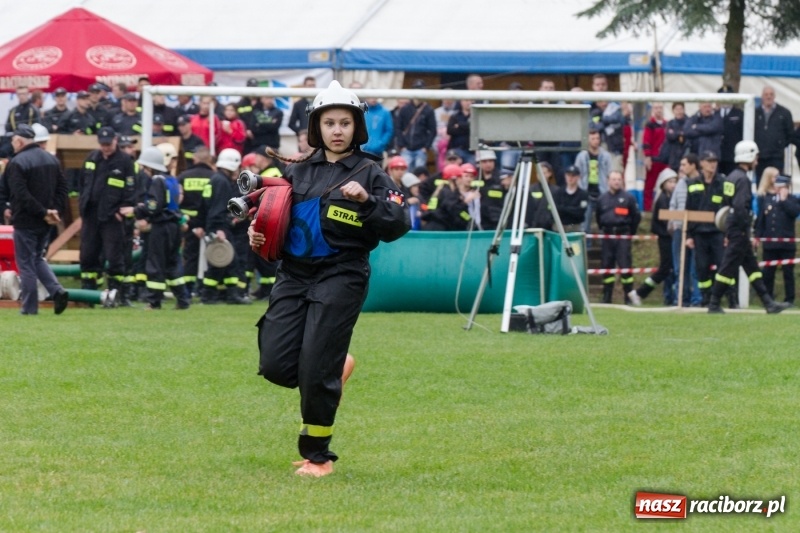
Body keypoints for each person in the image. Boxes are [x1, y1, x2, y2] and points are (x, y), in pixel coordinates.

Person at [248, 81, 409, 477]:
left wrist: (366, 202)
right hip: (293, 275)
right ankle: (336, 367)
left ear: (358, 128)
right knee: (275, 365)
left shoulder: (371, 173)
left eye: (345, 123)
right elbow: (274, 214)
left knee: (317, 367)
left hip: (343, 275)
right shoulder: (297, 170)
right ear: (315, 128)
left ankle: (318, 457)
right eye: (329, 123)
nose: (337, 130)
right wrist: (257, 232)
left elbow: (398, 224)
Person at [707, 141, 790, 314]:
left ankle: (768, 303)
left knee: (752, 267)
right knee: (727, 267)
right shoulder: (743, 179)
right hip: (739, 230)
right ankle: (714, 302)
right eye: (755, 158)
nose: (757, 162)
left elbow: (726, 204)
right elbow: (740, 208)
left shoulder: (731, 176)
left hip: (733, 228)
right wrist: (746, 229)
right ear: (749, 157)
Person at [4, 125, 69, 315]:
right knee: (37, 259)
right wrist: (53, 211)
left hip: (26, 219)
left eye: (13, 141)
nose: (12, 144)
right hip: (46, 221)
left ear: (19, 141)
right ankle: (57, 291)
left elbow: (21, 194)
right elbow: (63, 188)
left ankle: (29, 307)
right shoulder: (51, 159)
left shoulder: (17, 162)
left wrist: (42, 212)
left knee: (25, 263)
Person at [78, 127, 136, 300]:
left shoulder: (125, 161)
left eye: (108, 144)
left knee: (114, 256)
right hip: (91, 214)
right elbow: (83, 183)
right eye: (102, 144)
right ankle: (89, 293)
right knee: (88, 254)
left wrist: (123, 210)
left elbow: (131, 189)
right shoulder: (92, 158)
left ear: (115, 140)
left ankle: (117, 292)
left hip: (112, 216)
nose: (105, 147)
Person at [134, 147, 190, 310]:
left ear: (150, 166)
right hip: (173, 227)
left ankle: (154, 301)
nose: (144, 170)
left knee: (155, 263)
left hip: (161, 227)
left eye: (145, 167)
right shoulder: (172, 179)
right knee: (173, 263)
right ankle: (183, 299)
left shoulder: (156, 180)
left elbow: (154, 206)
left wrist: (138, 210)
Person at [200, 148, 251, 305]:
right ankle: (212, 296)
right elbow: (219, 209)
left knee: (227, 262)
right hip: (220, 227)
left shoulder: (215, 179)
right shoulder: (222, 182)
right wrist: (220, 229)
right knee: (224, 261)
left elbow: (205, 206)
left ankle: (226, 295)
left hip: (214, 226)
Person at [628, 168, 677, 306]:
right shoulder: (663, 200)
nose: (673, 185)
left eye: (675, 181)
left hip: (668, 236)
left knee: (670, 268)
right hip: (665, 237)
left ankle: (671, 297)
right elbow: (667, 221)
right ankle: (640, 292)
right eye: (670, 182)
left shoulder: (668, 198)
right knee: (665, 268)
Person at [685, 151, 728, 307]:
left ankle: (727, 297)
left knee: (723, 266)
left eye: (714, 161)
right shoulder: (692, 183)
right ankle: (706, 297)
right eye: (709, 161)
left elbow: (728, 210)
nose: (713, 164)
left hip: (717, 232)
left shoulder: (723, 183)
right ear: (701, 163)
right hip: (699, 233)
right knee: (701, 267)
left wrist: (727, 234)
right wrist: (688, 235)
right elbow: (688, 210)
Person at [754, 169, 800, 306]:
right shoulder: (767, 200)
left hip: (786, 244)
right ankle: (768, 298)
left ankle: (789, 299)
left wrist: (784, 200)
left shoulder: (793, 200)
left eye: (782, 187)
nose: (778, 189)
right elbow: (762, 220)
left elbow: (794, 213)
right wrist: (758, 236)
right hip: (770, 243)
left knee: (788, 273)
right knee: (768, 273)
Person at [596, 171, 640, 304]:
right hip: (608, 236)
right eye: (614, 179)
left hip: (623, 236)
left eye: (618, 179)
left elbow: (636, 217)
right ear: (608, 181)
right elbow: (598, 217)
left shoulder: (629, 198)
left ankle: (628, 296)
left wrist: (629, 233)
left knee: (625, 266)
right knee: (607, 266)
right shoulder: (602, 199)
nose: (616, 182)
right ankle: (607, 296)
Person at [669, 154, 702, 306]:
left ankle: (697, 299)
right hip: (680, 229)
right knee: (679, 266)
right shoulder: (681, 183)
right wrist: (674, 222)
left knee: (695, 267)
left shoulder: (701, 182)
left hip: (696, 229)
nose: (681, 168)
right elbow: (673, 204)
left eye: (684, 164)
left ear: (693, 165)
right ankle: (681, 298)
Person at [754, 85, 793, 183]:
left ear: (774, 96)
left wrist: (779, 145)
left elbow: (790, 134)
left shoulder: (784, 113)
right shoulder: (755, 113)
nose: (768, 97)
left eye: (771, 94)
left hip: (777, 157)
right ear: (762, 96)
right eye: (766, 94)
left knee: (777, 183)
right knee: (761, 183)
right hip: (760, 157)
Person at [576, 128, 612, 234]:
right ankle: (586, 246)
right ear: (588, 140)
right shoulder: (582, 156)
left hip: (602, 192)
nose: (596, 141)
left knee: (604, 222)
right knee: (585, 224)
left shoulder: (605, 155)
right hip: (586, 192)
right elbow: (578, 173)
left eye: (598, 138)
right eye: (593, 138)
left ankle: (604, 246)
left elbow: (609, 172)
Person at [395, 81, 437, 169]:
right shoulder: (405, 109)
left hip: (421, 149)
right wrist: (401, 145)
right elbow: (398, 127)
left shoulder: (428, 110)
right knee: (404, 174)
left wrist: (426, 147)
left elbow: (433, 130)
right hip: (406, 148)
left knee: (419, 174)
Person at [642, 103, 667, 212]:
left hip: (665, 160)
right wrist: (648, 157)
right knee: (649, 186)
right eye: (656, 108)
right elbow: (646, 141)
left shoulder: (667, 124)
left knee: (666, 184)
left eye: (660, 108)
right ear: (653, 110)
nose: (658, 110)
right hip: (654, 160)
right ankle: (647, 209)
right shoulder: (650, 124)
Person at [717, 85, 744, 176]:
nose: (725, 100)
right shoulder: (714, 114)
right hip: (717, 156)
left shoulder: (739, 114)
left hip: (732, 156)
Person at [553, 165, 589, 233]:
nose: (570, 178)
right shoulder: (558, 192)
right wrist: (572, 209)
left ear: (578, 177)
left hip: (575, 227)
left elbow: (580, 213)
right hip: (559, 227)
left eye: (573, 176)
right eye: (568, 175)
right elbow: (556, 209)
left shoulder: (583, 194)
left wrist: (564, 208)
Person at [657, 102, 689, 172]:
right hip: (673, 157)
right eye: (677, 109)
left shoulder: (689, 122)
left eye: (681, 109)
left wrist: (675, 133)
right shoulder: (670, 123)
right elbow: (669, 136)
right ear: (673, 111)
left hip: (685, 155)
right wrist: (680, 133)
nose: (679, 111)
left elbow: (687, 134)